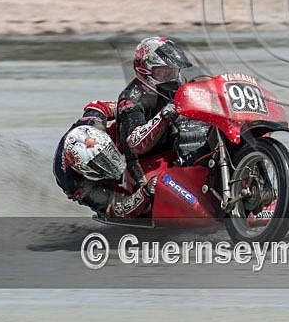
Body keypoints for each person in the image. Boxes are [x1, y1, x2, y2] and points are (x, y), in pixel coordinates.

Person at [52, 100, 157, 218]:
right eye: (100, 162)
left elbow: (100, 106)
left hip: (99, 139)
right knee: (128, 208)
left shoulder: (93, 122)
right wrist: (145, 193)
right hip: (91, 183)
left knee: (125, 120)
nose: (110, 162)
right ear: (83, 169)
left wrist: (132, 111)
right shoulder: (77, 185)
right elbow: (117, 208)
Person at [117, 36, 193, 186]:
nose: (170, 78)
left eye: (172, 72)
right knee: (157, 190)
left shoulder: (177, 84)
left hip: (177, 151)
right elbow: (135, 144)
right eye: (163, 74)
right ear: (144, 70)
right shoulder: (130, 99)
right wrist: (163, 116)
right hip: (145, 164)